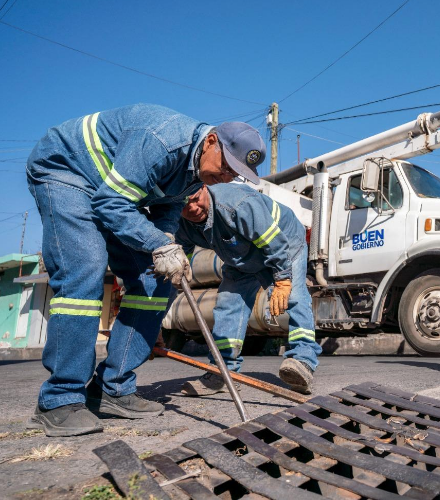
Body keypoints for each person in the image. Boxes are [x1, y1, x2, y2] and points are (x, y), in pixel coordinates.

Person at [25, 105, 265, 437]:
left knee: (155, 282)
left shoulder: (196, 169)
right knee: (85, 271)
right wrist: (156, 242)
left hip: (111, 193)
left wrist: (165, 239)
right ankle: (59, 400)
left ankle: (113, 388)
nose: (226, 177)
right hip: (68, 170)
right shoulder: (162, 141)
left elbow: (168, 205)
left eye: (233, 174)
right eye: (225, 166)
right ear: (211, 141)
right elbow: (110, 203)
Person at [176, 183, 321, 395]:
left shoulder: (237, 204)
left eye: (196, 198)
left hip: (285, 242)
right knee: (228, 306)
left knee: (295, 297)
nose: (193, 207)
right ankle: (223, 372)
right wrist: (178, 268)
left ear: (205, 188)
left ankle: (303, 363)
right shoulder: (184, 223)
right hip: (241, 258)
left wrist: (282, 280)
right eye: (184, 204)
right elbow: (180, 252)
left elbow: (274, 242)